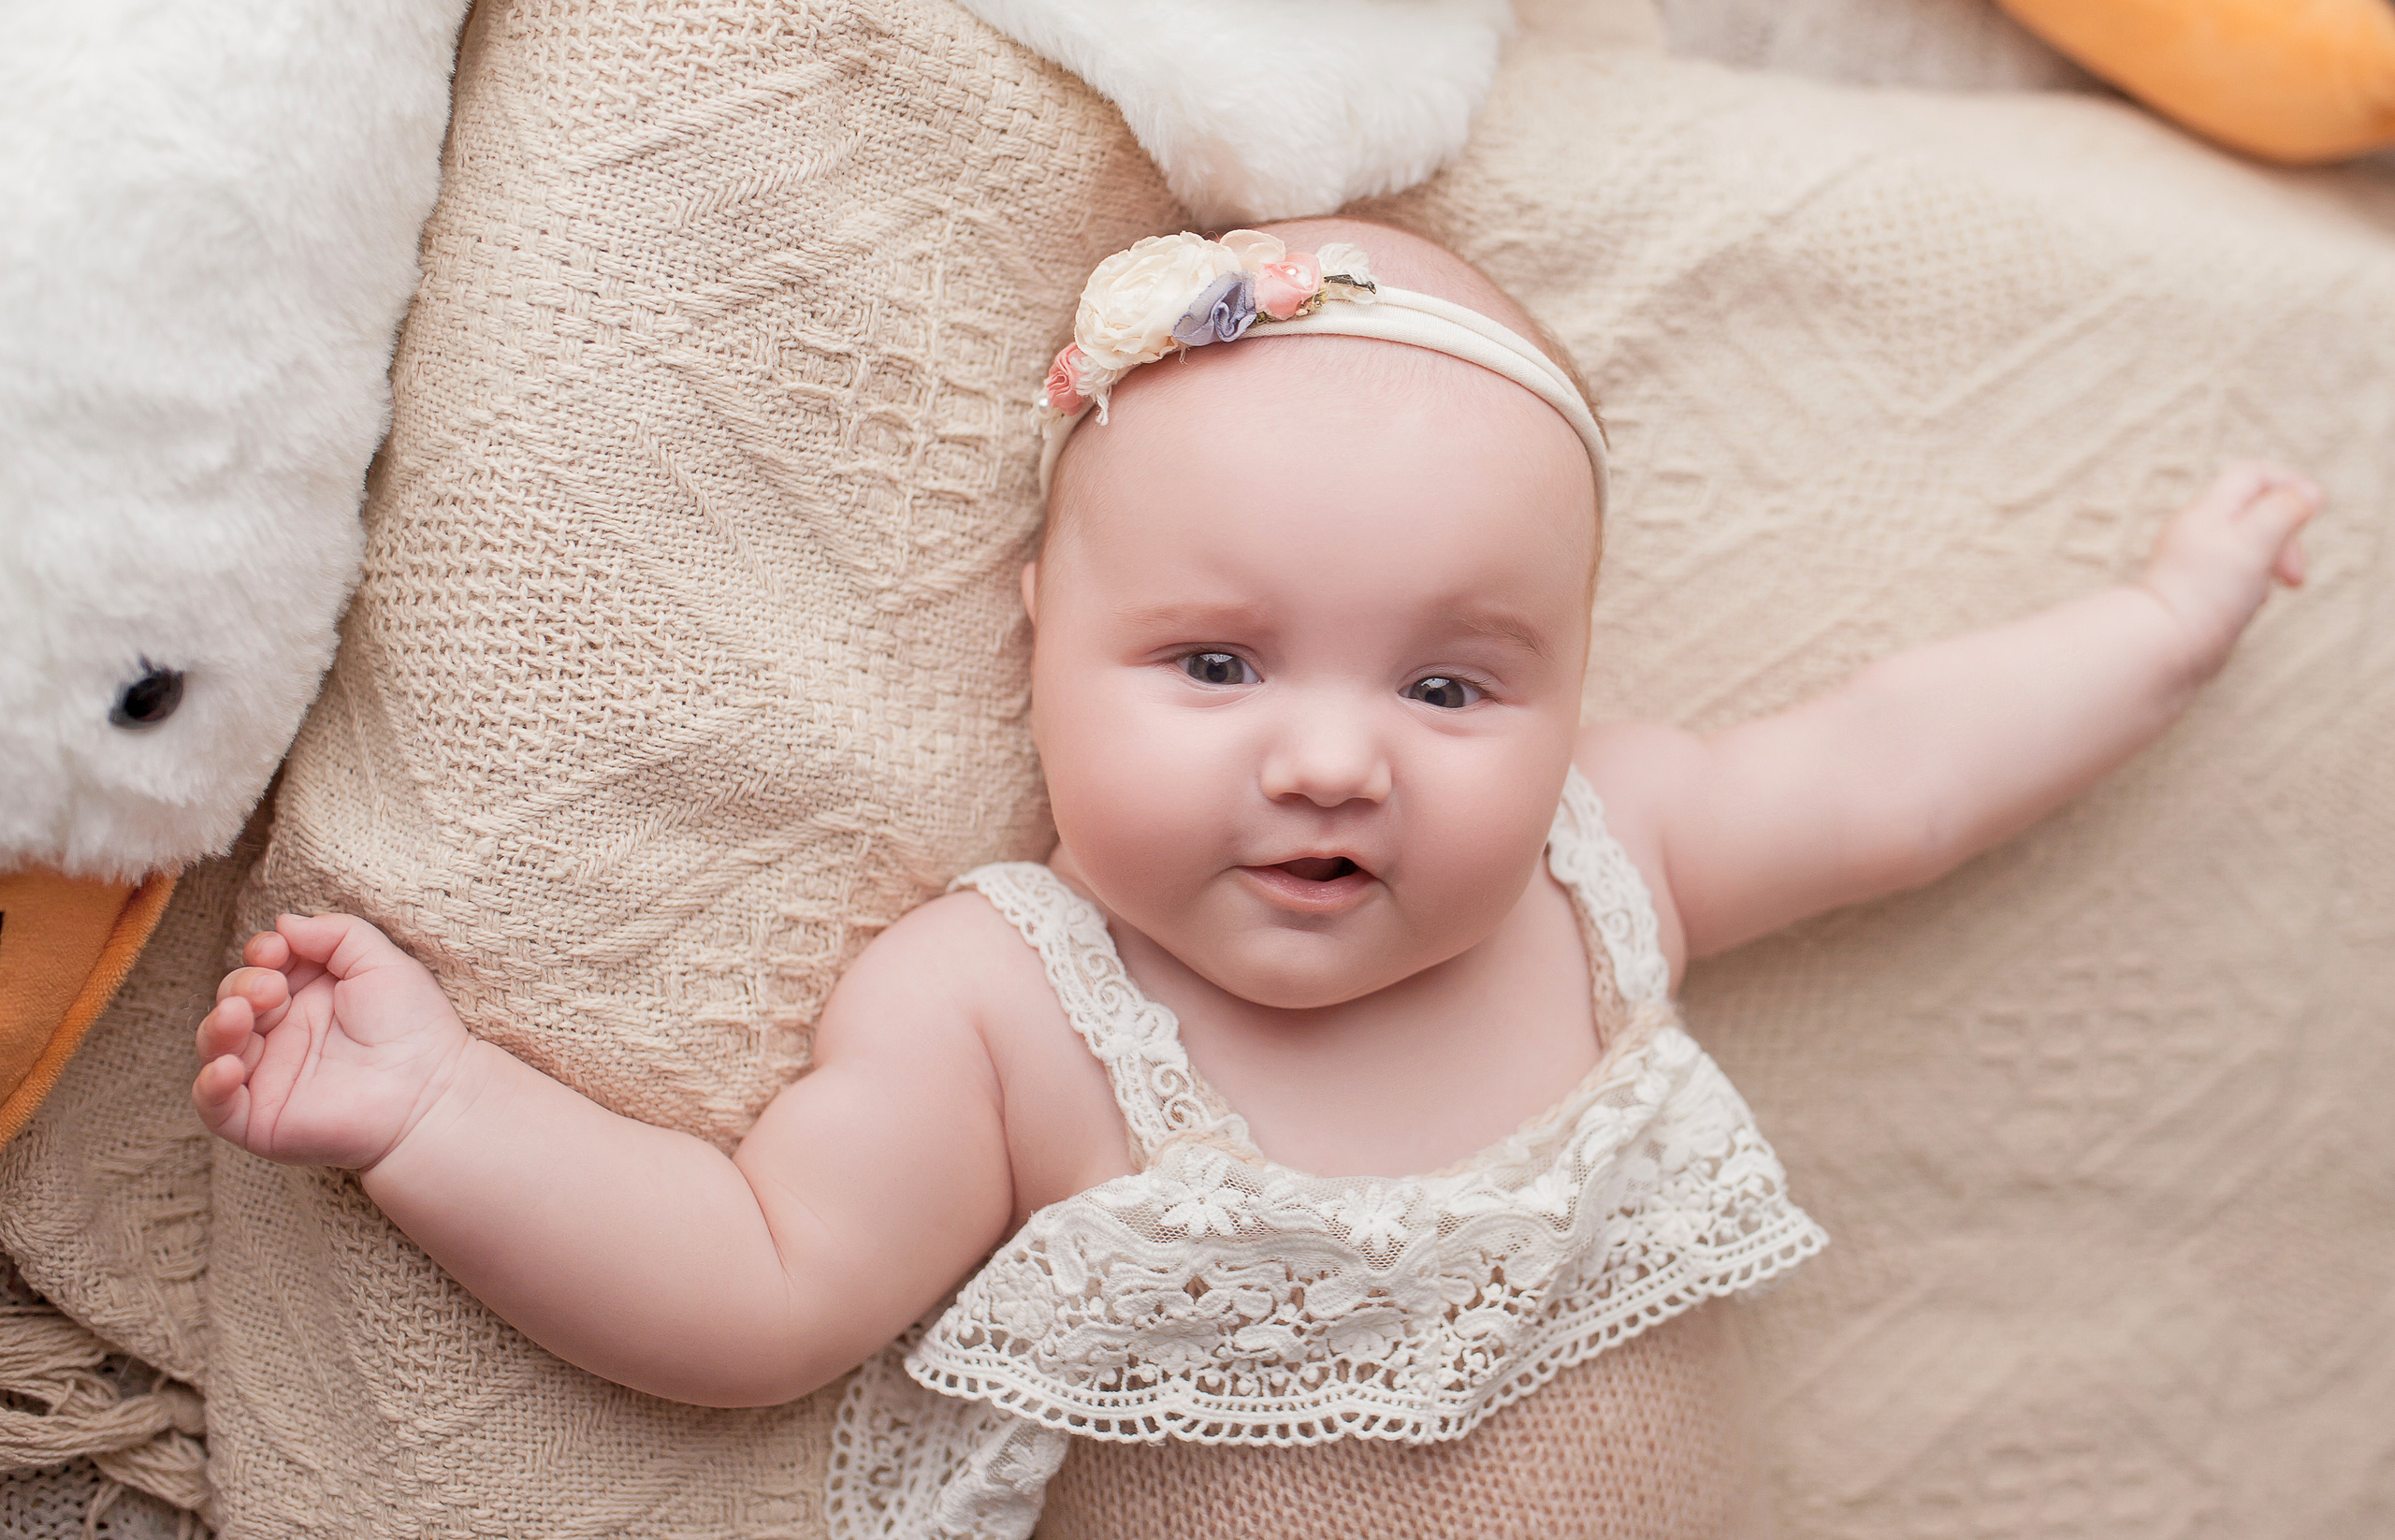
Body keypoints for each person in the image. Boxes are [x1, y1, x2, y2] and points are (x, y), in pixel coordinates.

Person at [193, 218, 2319, 1539]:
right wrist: (443, 1110)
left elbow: (1885, 772)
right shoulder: (1010, 1006)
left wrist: (2156, 624)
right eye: (1214, 665)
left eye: (1450, 685)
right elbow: (760, 1284)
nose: (1330, 757)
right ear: (1037, 638)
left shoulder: (1600, 869)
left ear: (1571, 692)